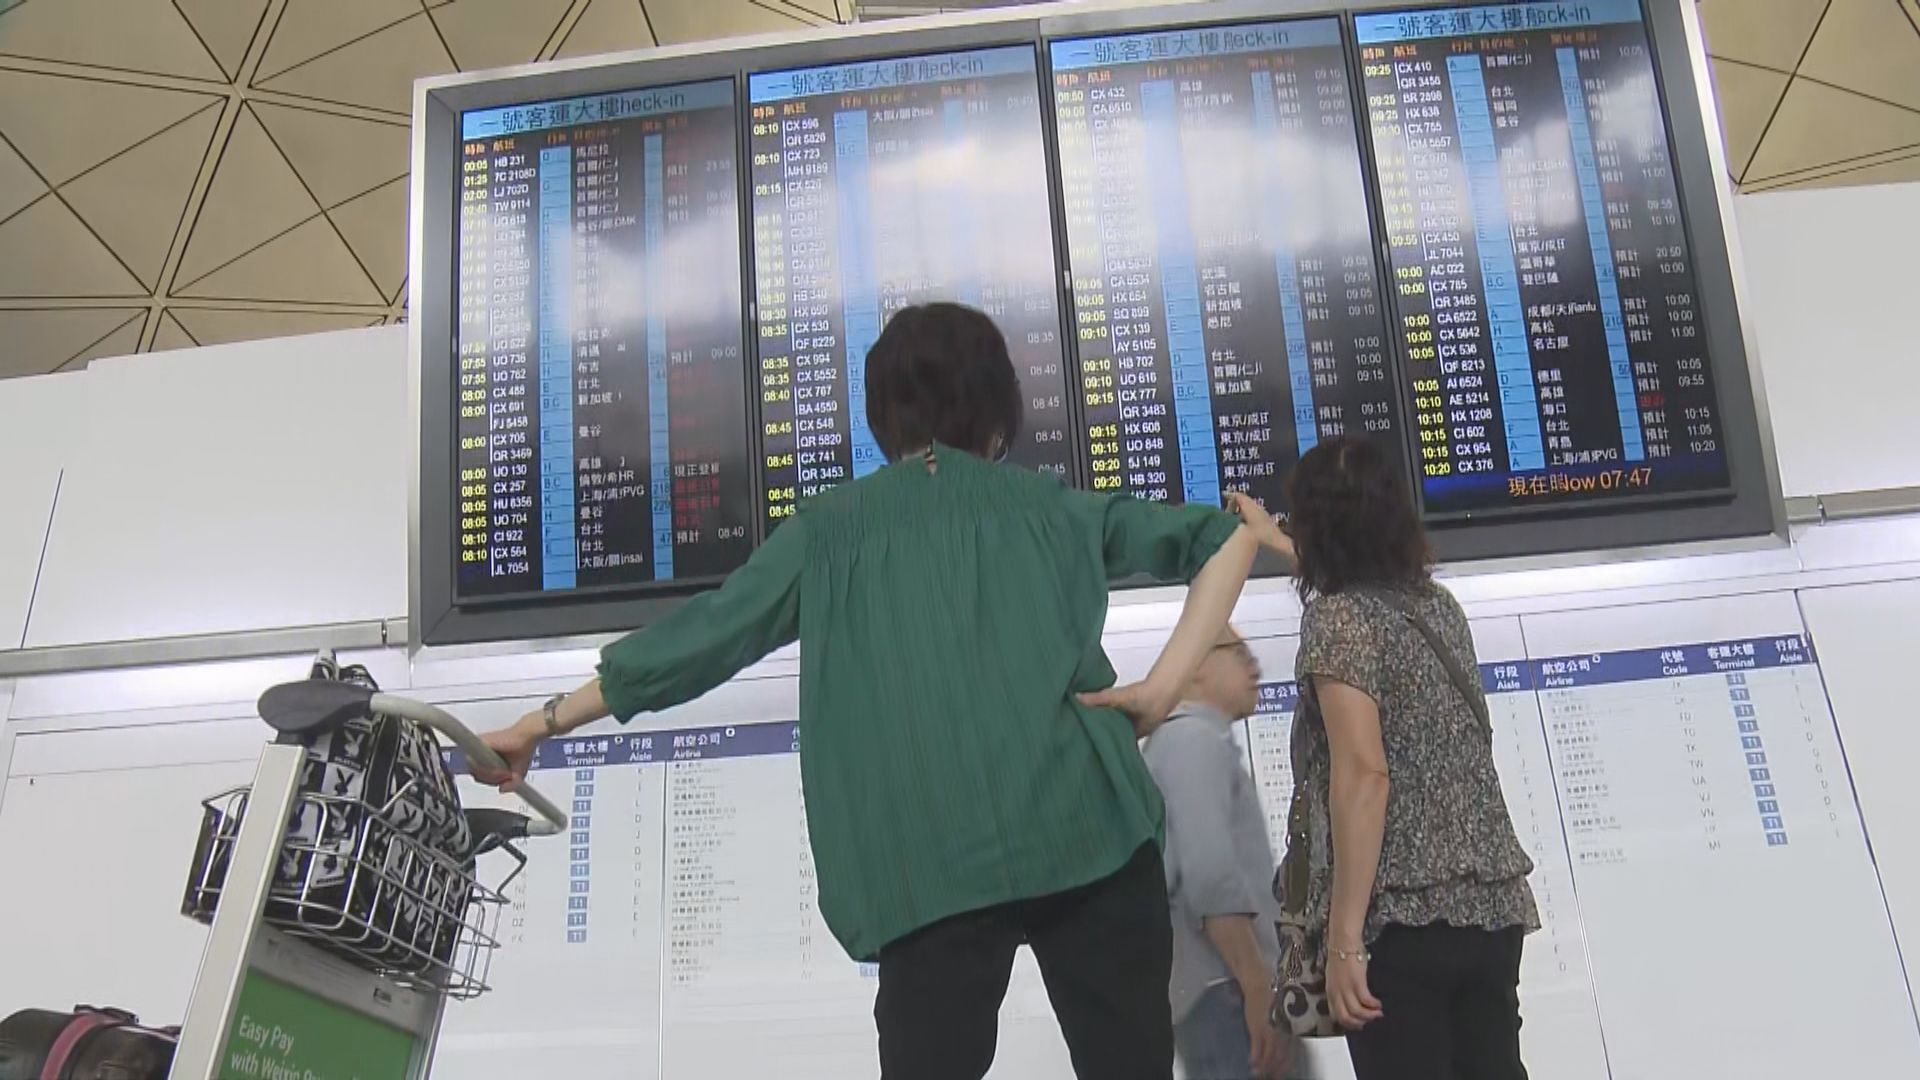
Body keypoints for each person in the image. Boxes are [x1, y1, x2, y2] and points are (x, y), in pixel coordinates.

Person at [475, 302, 1263, 1080]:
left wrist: (543, 721)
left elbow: (700, 641)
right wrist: (1159, 693)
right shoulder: (1053, 509)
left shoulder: (827, 534)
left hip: (928, 867)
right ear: (997, 411)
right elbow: (1226, 538)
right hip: (1090, 830)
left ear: (883, 416)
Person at [1235, 435, 1537, 1080]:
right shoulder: (1437, 608)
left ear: (1319, 527)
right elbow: (1363, 588)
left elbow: (1364, 776)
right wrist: (1274, 541)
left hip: (1398, 925)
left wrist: (1344, 940)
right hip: (1489, 909)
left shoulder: (1337, 621)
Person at [1142, 626, 1312, 1080]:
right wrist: (1257, 988)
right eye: (1236, 651)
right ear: (1194, 667)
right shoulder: (1189, 741)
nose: (1253, 664)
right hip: (1229, 997)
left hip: (1235, 996)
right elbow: (1208, 874)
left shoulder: (1196, 744)